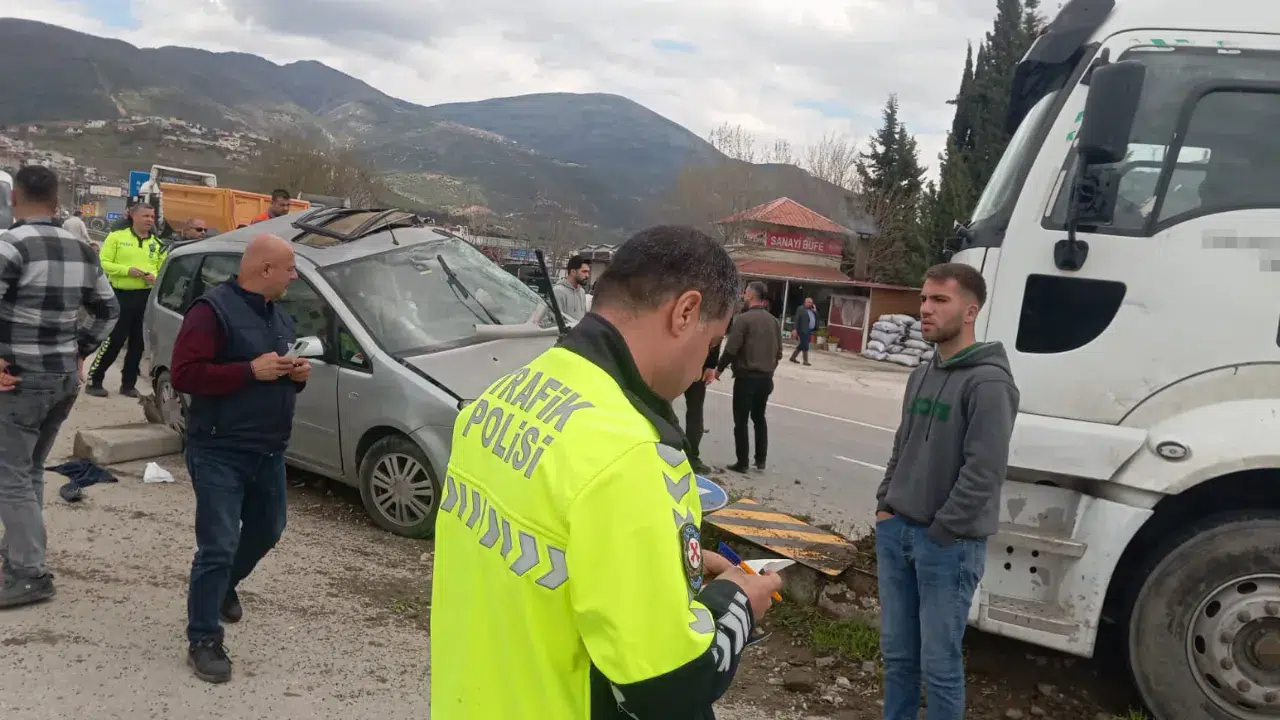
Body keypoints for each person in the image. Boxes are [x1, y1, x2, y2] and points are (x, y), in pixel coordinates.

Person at [431, 225, 782, 719]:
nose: (703, 362)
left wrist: (662, 560)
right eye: (711, 341)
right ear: (685, 312)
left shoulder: (503, 396)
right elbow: (667, 684)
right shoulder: (628, 452)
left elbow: (546, 545)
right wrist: (740, 600)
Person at [874, 262, 1019, 720]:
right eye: (923, 299)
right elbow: (903, 444)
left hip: (948, 547)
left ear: (970, 310)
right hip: (897, 532)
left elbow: (984, 471)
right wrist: (885, 504)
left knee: (939, 666)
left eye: (940, 301)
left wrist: (943, 530)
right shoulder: (922, 374)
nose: (925, 310)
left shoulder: (990, 382)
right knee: (898, 658)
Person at [170, 233, 309, 683]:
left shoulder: (277, 315)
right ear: (264, 270)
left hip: (268, 449)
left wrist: (296, 375)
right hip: (219, 450)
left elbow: (277, 374)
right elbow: (185, 375)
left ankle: (225, 584)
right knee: (218, 544)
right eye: (289, 268)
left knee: (269, 529)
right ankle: (204, 638)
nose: (294, 275)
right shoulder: (211, 312)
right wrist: (250, 370)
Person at [0, 166, 119, 608]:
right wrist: (79, 350)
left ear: (15, 199)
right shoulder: (82, 249)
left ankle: (28, 572)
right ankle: (20, 552)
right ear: (56, 200)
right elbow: (108, 310)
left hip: (19, 381)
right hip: (62, 381)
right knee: (28, 469)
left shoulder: (11, 245)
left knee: (9, 477)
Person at [86, 203, 165, 398]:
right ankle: (95, 379)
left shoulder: (157, 243)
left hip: (146, 297)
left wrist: (154, 275)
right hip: (120, 296)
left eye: (152, 216)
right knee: (115, 340)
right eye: (145, 215)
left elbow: (162, 266)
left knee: (138, 343)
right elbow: (103, 263)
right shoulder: (117, 237)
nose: (149, 220)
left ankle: (128, 383)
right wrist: (126, 271)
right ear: (133, 217)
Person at [715, 281, 781, 473]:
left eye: (745, 293)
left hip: (747, 378)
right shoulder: (774, 322)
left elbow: (731, 349)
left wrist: (719, 369)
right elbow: (779, 353)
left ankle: (742, 462)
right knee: (759, 418)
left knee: (741, 420)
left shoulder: (743, 320)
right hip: (766, 379)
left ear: (751, 296)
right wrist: (769, 369)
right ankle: (761, 460)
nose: (743, 296)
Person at [681, 336, 721, 475]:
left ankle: (687, 455)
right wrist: (711, 364)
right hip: (698, 361)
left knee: (664, 405)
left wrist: (710, 365)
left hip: (679, 357)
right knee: (695, 411)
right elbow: (717, 333)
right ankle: (691, 457)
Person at [551, 254, 591, 320]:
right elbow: (556, 322)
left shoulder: (581, 292)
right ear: (573, 272)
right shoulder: (558, 292)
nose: (587, 275)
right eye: (584, 271)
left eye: (588, 272)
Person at [790, 296, 818, 366]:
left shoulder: (812, 310)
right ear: (805, 302)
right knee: (805, 345)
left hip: (809, 330)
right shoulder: (800, 309)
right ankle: (805, 361)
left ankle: (793, 357)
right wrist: (794, 329)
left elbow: (817, 317)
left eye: (811, 303)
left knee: (802, 344)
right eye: (809, 302)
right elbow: (796, 319)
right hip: (802, 329)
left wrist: (815, 311)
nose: (810, 304)